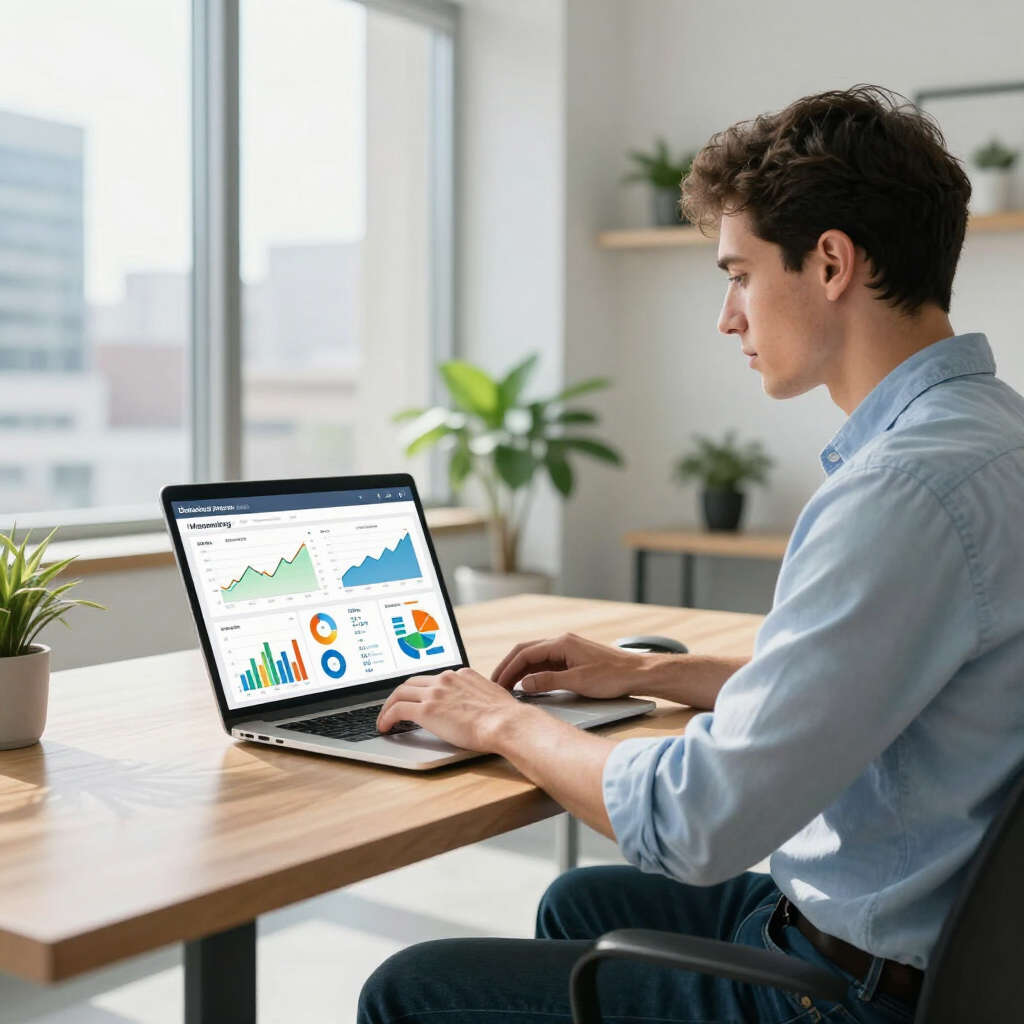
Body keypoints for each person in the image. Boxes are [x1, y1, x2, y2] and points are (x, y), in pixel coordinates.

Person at [358, 85, 1024, 1024]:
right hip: (944, 947)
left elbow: (697, 821)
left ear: (831, 262)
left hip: (856, 994)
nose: (728, 316)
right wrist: (646, 673)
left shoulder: (899, 491)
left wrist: (499, 721)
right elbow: (867, 675)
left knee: (410, 988)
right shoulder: (992, 438)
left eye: (740, 274)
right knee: (578, 903)